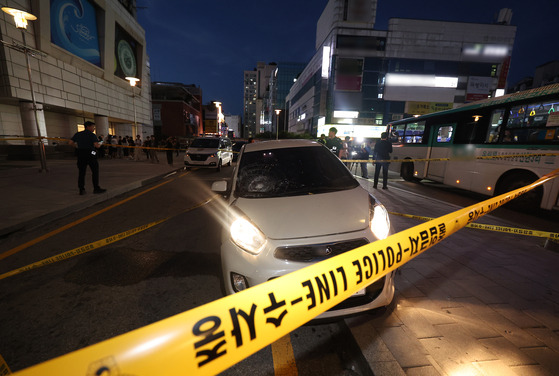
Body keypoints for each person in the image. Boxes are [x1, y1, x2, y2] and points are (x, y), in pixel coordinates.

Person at [69, 121, 106, 195]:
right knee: (95, 171)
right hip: (91, 153)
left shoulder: (78, 134)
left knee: (81, 172)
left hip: (81, 154)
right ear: (88, 127)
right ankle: (96, 188)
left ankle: (81, 189)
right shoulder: (92, 135)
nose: (94, 128)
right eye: (93, 127)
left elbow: (70, 142)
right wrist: (101, 140)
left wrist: (77, 147)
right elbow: (97, 146)